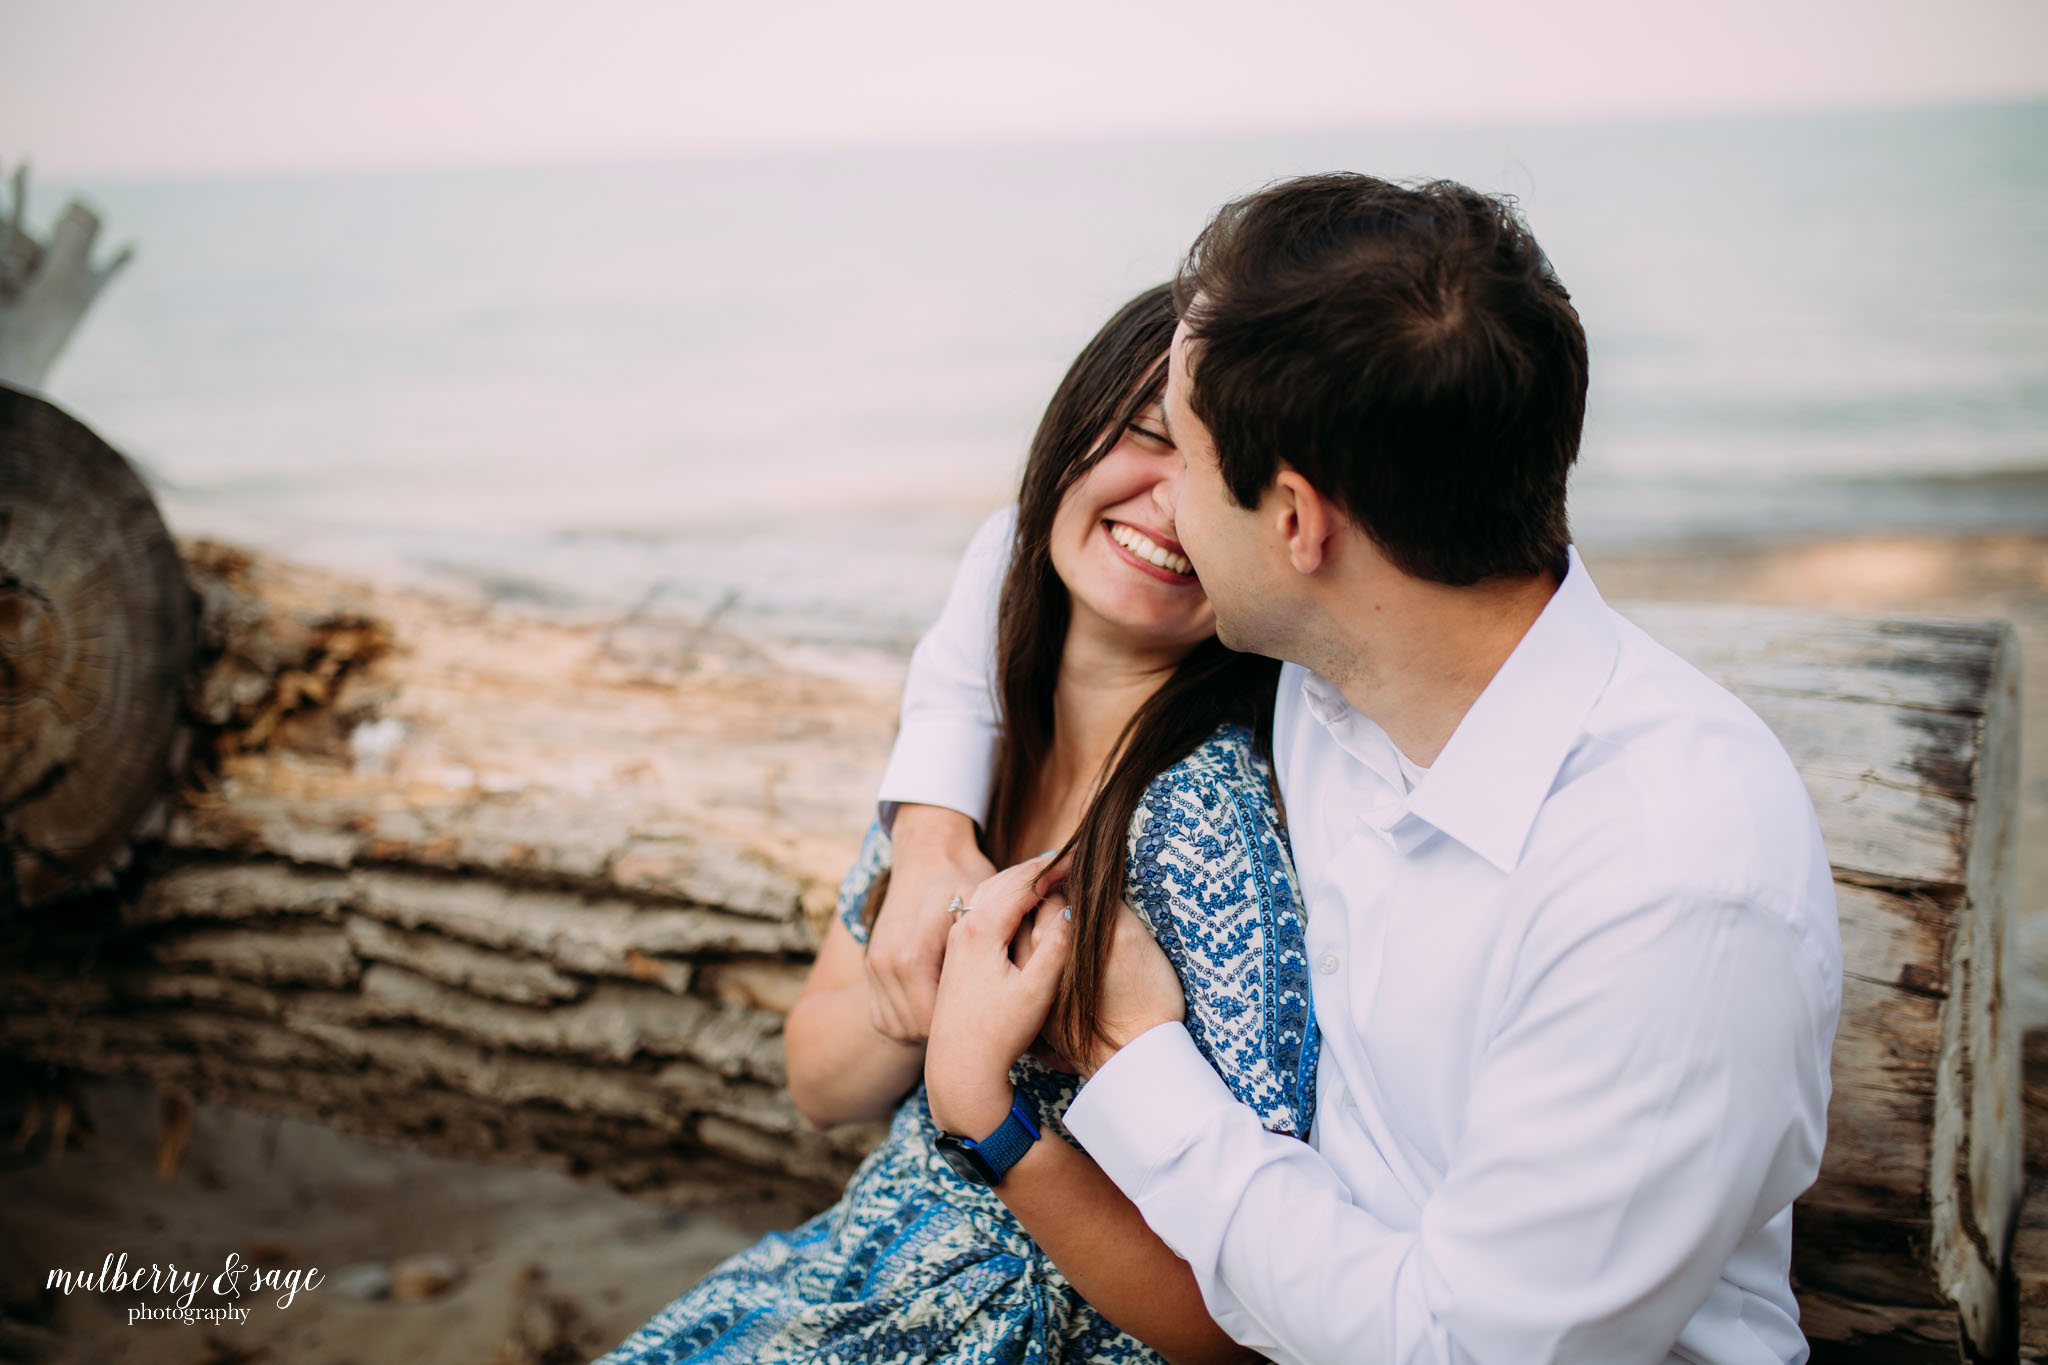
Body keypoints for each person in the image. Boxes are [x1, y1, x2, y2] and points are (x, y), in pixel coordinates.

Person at [870, 175, 1842, 1364]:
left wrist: (1129, 1056)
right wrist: (927, 824)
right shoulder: (1341, 661)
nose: (1159, 504)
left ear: (1293, 522)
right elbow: (1017, 550)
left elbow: (1450, 1349)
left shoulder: (1670, 888)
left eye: (1181, 448)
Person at [594, 284, 1317, 1365]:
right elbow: (816, 1078)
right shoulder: (967, 760)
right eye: (1142, 438)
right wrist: (923, 1000)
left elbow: (1246, 1325)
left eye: (1219, 484)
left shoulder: (1201, 826)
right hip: (849, 1270)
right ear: (1069, 436)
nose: (1168, 507)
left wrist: (990, 1111)